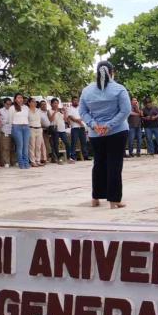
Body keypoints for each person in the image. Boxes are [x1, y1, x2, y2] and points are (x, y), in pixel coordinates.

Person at [79, 60, 130, 209]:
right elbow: (125, 111)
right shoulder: (119, 89)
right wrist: (109, 125)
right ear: (112, 72)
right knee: (114, 164)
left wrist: (95, 125)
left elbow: (83, 112)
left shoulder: (87, 90)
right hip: (117, 131)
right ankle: (114, 200)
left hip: (96, 134)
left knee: (98, 164)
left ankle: (95, 198)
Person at [10, 93, 31, 168]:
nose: (20, 99)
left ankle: (26, 162)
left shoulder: (26, 107)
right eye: (18, 97)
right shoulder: (12, 108)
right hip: (17, 127)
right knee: (20, 146)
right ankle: (21, 163)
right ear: (15, 99)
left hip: (26, 127)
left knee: (26, 146)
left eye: (21, 97)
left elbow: (28, 118)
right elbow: (10, 120)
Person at [49, 98, 72, 164]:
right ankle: (59, 158)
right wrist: (55, 112)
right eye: (54, 103)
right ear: (51, 104)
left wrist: (64, 112)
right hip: (55, 130)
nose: (56, 104)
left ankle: (68, 158)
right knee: (56, 144)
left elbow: (65, 120)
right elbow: (51, 119)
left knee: (67, 143)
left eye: (57, 103)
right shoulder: (49, 111)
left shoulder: (60, 111)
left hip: (62, 129)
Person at [66, 96, 89, 162]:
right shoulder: (69, 108)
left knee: (83, 142)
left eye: (77, 100)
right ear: (72, 101)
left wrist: (80, 121)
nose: (76, 101)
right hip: (74, 128)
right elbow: (71, 117)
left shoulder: (81, 108)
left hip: (82, 127)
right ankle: (73, 157)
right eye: (74, 100)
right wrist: (79, 121)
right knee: (74, 142)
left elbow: (84, 116)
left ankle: (85, 156)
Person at [27, 98, 44, 167]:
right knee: (32, 146)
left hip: (39, 129)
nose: (35, 103)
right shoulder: (27, 111)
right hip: (31, 129)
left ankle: (38, 160)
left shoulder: (38, 110)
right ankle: (32, 161)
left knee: (38, 146)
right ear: (29, 103)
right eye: (33, 102)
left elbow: (40, 120)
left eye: (35, 102)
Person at [0, 97, 15, 167]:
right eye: (7, 104)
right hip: (4, 131)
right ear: (4, 103)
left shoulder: (13, 110)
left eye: (10, 104)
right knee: (5, 147)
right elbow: (1, 121)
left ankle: (13, 161)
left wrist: (8, 121)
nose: (9, 105)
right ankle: (6, 162)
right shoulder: (0, 111)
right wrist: (7, 121)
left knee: (13, 147)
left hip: (13, 130)